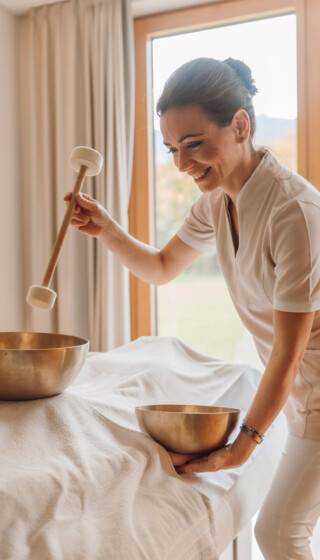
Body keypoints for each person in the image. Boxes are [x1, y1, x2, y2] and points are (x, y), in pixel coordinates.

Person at [66, 57, 320, 559]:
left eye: (194, 145)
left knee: (279, 534)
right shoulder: (217, 201)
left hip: (314, 389)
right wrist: (108, 230)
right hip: (300, 393)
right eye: (171, 149)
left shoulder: (294, 211)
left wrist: (241, 446)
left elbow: (286, 356)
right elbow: (161, 267)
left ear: (240, 126)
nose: (182, 165)